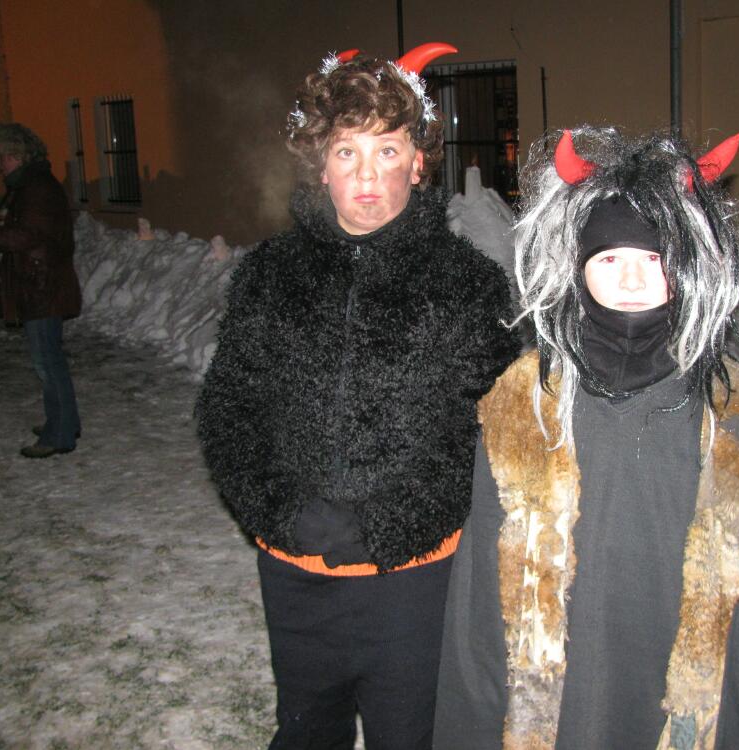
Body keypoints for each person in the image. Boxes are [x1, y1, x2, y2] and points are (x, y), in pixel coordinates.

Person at [433, 127, 739, 750]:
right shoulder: (524, 410)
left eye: (655, 258)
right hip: (556, 719)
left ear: (688, 265)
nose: (633, 280)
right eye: (610, 259)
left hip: (682, 719)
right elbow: (481, 600)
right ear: (577, 266)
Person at [195, 45, 519, 750]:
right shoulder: (270, 275)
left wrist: (388, 524)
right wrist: (280, 510)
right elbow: (229, 409)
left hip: (414, 581)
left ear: (418, 162)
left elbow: (488, 438)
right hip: (294, 571)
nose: (367, 175)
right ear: (322, 164)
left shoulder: (469, 286)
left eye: (387, 150)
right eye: (348, 152)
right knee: (307, 732)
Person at [0, 123, 82, 458]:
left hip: (42, 286)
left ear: (20, 154)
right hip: (38, 283)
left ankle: (60, 434)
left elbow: (26, 236)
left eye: (3, 157)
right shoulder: (27, 185)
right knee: (48, 359)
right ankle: (63, 421)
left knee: (47, 362)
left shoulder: (36, 187)